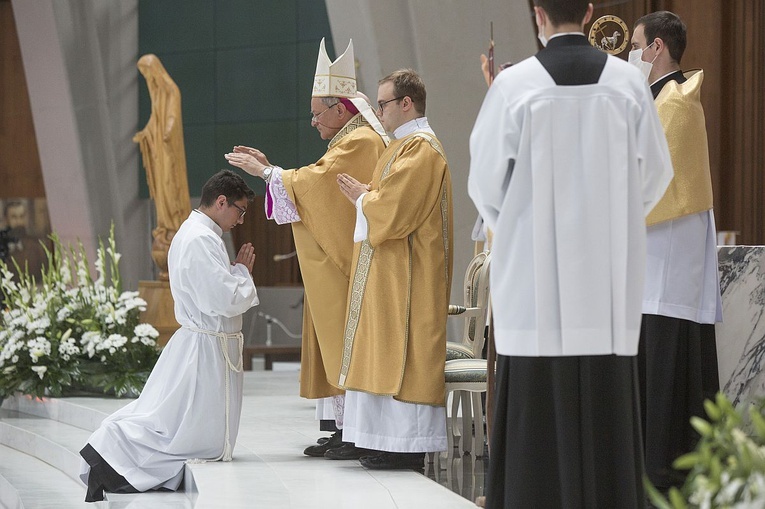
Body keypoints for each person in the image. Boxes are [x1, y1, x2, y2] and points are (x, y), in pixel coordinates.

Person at [468, 1, 674, 507]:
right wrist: (615, 221)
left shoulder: (513, 87)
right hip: (605, 293)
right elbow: (657, 177)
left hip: (534, 293)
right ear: (587, 12)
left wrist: (519, 228)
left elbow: (485, 183)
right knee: (607, 421)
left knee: (532, 435)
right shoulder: (628, 84)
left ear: (538, 14)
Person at [225, 39, 388, 459]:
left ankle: (355, 430)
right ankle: (341, 426)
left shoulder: (362, 142)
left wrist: (267, 172)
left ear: (340, 109)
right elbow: (315, 180)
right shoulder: (345, 141)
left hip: (351, 267)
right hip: (336, 265)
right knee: (331, 340)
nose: (313, 122)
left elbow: (318, 184)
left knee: (345, 340)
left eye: (317, 113)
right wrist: (272, 171)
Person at [79, 169, 259, 502]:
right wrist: (243, 273)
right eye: (240, 210)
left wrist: (233, 272)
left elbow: (216, 290)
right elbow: (225, 301)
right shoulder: (201, 239)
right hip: (204, 345)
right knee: (172, 426)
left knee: (177, 420)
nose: (241, 219)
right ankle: (108, 457)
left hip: (204, 342)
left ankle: (112, 460)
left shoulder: (198, 234)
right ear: (222, 202)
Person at [335, 68, 453, 470]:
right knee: (385, 352)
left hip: (411, 276)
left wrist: (364, 199)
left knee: (407, 354)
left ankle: (407, 445)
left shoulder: (422, 148)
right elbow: (391, 199)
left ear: (407, 104)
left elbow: (396, 211)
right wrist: (370, 196)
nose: (378, 111)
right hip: (392, 272)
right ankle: (384, 441)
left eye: (383, 103)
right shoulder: (402, 146)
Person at [630, 11, 722, 491]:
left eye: (637, 45)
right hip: (651, 261)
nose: (632, 54)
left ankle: (659, 472)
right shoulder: (657, 99)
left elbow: (655, 186)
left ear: (657, 48)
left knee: (662, 369)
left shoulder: (674, 103)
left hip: (663, 267)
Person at [133, 53, 192, 280]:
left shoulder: (170, 91)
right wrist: (147, 135)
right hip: (160, 153)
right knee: (161, 193)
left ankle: (174, 225)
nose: (149, 79)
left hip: (170, 153)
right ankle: (166, 227)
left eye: (149, 73)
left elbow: (171, 119)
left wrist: (167, 133)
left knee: (170, 189)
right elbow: (153, 123)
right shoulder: (156, 95)